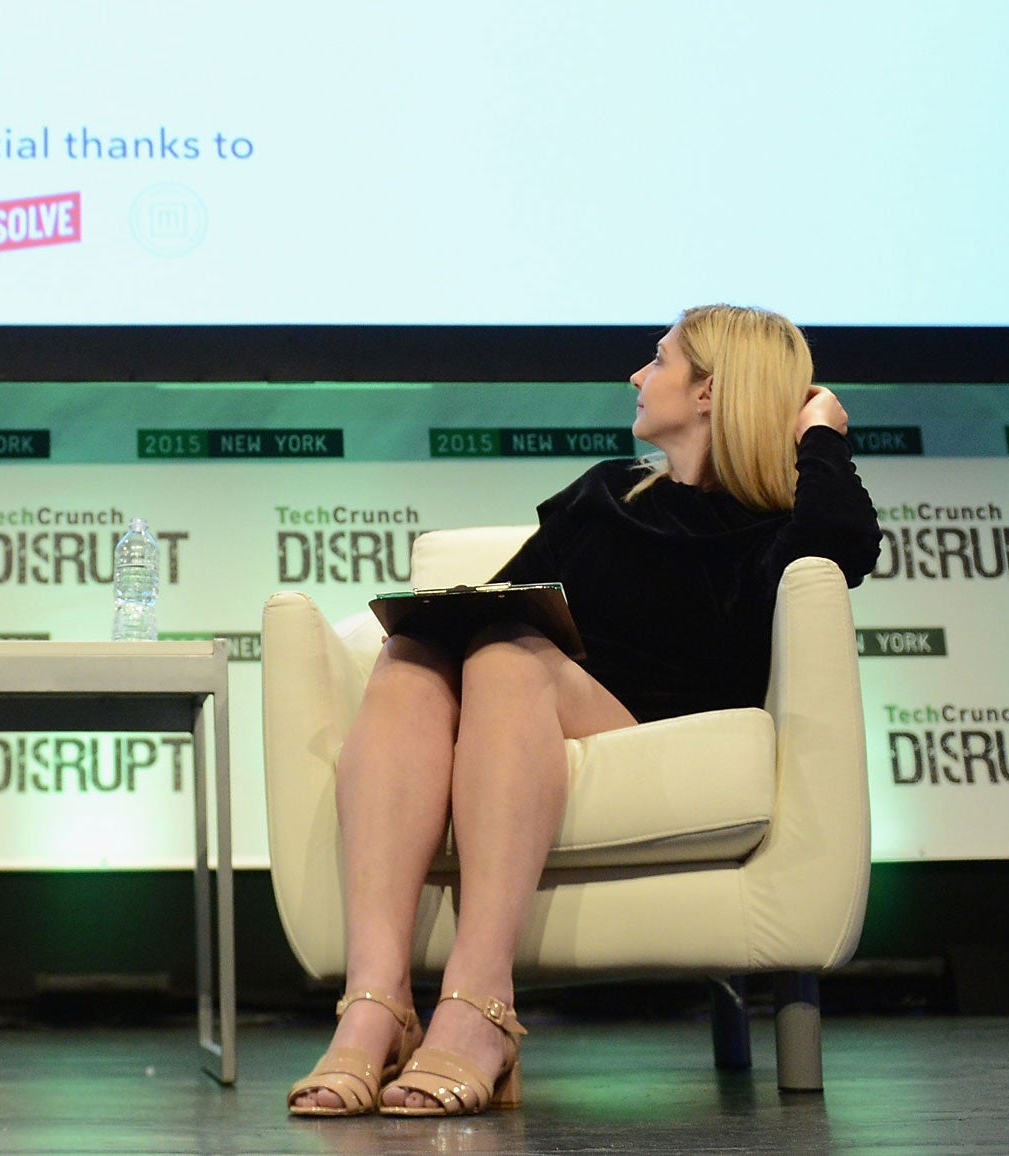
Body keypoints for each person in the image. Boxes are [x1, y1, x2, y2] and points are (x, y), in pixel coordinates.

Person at [286, 304, 879, 1120]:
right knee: (413, 656)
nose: (638, 376)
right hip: (526, 707)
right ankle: (375, 1006)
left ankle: (479, 1003)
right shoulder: (603, 494)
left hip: (653, 728)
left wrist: (819, 433)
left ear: (709, 391)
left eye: (659, 360)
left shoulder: (774, 526)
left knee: (506, 655)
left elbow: (841, 545)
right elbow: (506, 600)